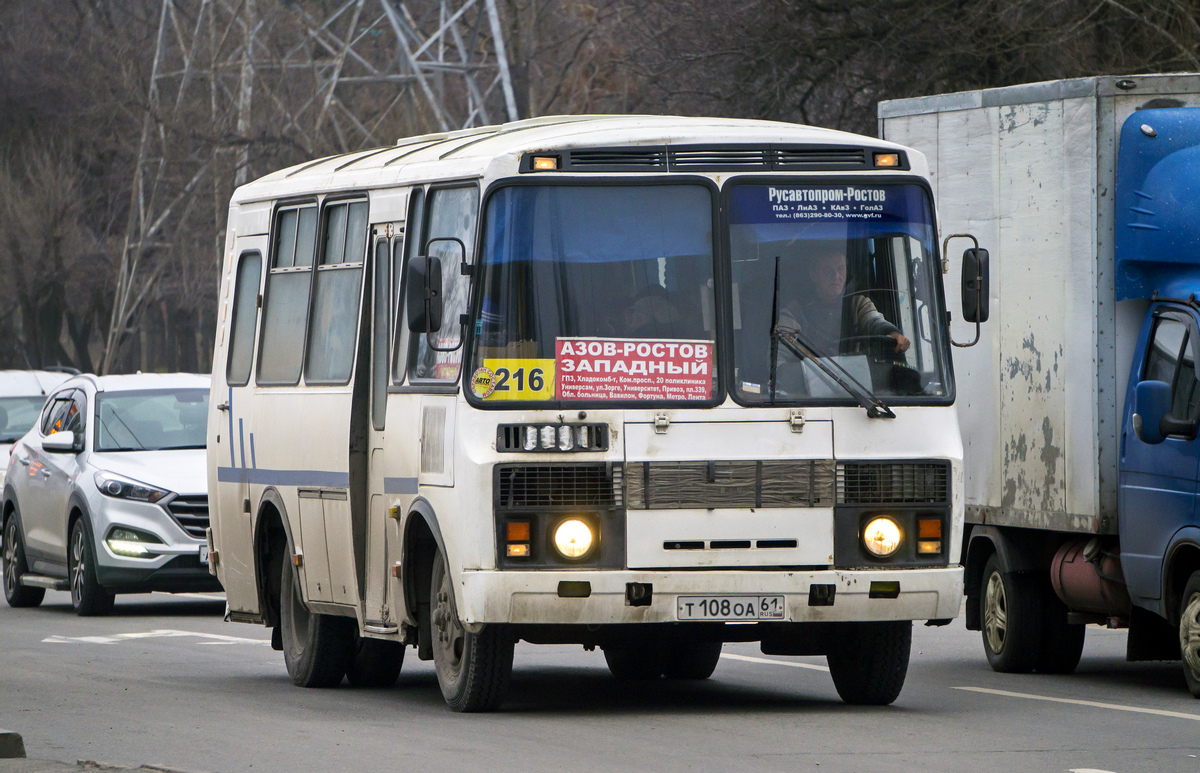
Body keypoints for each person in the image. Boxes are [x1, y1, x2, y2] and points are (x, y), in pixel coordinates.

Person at [779, 246, 911, 355]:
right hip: (810, 383)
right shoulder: (795, 311)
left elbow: (873, 321)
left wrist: (892, 333)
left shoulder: (858, 304)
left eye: (841, 269)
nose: (836, 276)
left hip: (855, 383)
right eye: (827, 270)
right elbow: (780, 353)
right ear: (813, 274)